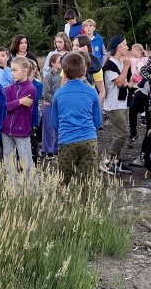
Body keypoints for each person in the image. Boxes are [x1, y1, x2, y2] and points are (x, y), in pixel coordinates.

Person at [53, 51, 102, 182]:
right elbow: (97, 121)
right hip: (88, 140)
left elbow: (55, 122)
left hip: (66, 140)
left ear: (64, 71)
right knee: (88, 180)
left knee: (65, 180)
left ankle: (67, 196)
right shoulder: (92, 92)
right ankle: (86, 196)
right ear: (85, 70)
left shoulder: (59, 93)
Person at [2, 56, 38, 181]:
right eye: (11, 70)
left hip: (21, 130)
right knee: (9, 163)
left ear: (25, 70)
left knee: (26, 162)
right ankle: (13, 188)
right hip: (6, 130)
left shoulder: (31, 89)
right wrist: (19, 101)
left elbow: (20, 110)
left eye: (15, 70)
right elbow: (3, 107)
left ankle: (33, 189)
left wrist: (13, 104)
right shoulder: (7, 89)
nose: (12, 73)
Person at [100, 35, 132, 175]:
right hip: (114, 104)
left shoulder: (120, 63)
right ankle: (107, 161)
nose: (127, 47)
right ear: (119, 47)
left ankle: (115, 160)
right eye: (125, 45)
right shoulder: (109, 65)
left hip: (123, 102)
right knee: (122, 133)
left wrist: (128, 81)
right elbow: (118, 82)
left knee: (120, 133)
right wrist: (126, 67)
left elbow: (125, 81)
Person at [40, 51, 63, 158]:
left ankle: (56, 149)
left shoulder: (64, 75)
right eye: (59, 62)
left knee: (58, 127)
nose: (61, 63)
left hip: (60, 105)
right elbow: (46, 93)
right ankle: (48, 150)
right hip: (50, 105)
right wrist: (56, 102)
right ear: (53, 63)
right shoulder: (49, 76)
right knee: (49, 128)